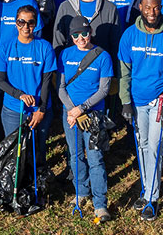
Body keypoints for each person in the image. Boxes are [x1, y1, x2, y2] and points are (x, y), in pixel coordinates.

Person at [119, 0, 163, 221]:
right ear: (140, 7)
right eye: (147, 8)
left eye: (156, 8)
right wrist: (125, 101)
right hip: (137, 101)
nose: (151, 12)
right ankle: (146, 189)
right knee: (142, 145)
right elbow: (124, 72)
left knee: (155, 147)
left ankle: (152, 198)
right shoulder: (129, 35)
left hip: (159, 99)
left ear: (162, 8)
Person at [57, 14, 114, 221]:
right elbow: (61, 88)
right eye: (76, 35)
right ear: (71, 37)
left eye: (84, 33)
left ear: (90, 32)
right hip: (70, 113)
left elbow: (104, 89)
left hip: (93, 114)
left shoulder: (103, 56)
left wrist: (82, 109)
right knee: (75, 155)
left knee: (96, 159)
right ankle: (81, 192)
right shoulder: (64, 55)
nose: (81, 38)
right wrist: (72, 110)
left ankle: (100, 203)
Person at [0, 5, 56, 174]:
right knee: (15, 152)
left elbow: (47, 81)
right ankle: (16, 186)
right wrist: (19, 95)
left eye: (30, 22)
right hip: (13, 109)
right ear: (15, 23)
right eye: (21, 22)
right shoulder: (6, 47)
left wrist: (41, 110)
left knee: (38, 150)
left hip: (39, 109)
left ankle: (37, 185)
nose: (26, 27)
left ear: (36, 24)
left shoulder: (45, 47)